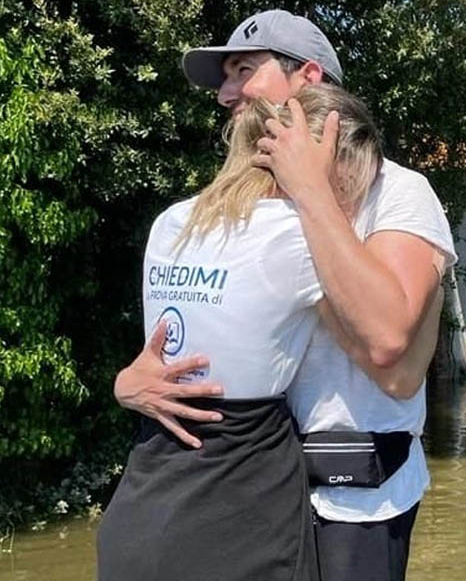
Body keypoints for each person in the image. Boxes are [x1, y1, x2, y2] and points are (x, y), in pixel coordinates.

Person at [114, 9, 457, 581]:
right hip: (251, 492)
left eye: (243, 70)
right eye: (224, 78)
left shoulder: (398, 192)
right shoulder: (241, 203)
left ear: (310, 78)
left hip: (353, 503)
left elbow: (389, 350)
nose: (226, 93)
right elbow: (198, 339)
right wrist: (128, 384)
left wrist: (308, 189)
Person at [98, 85, 389, 580]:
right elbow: (387, 337)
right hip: (238, 508)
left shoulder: (171, 222)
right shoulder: (297, 236)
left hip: (143, 498)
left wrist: (122, 384)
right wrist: (316, 197)